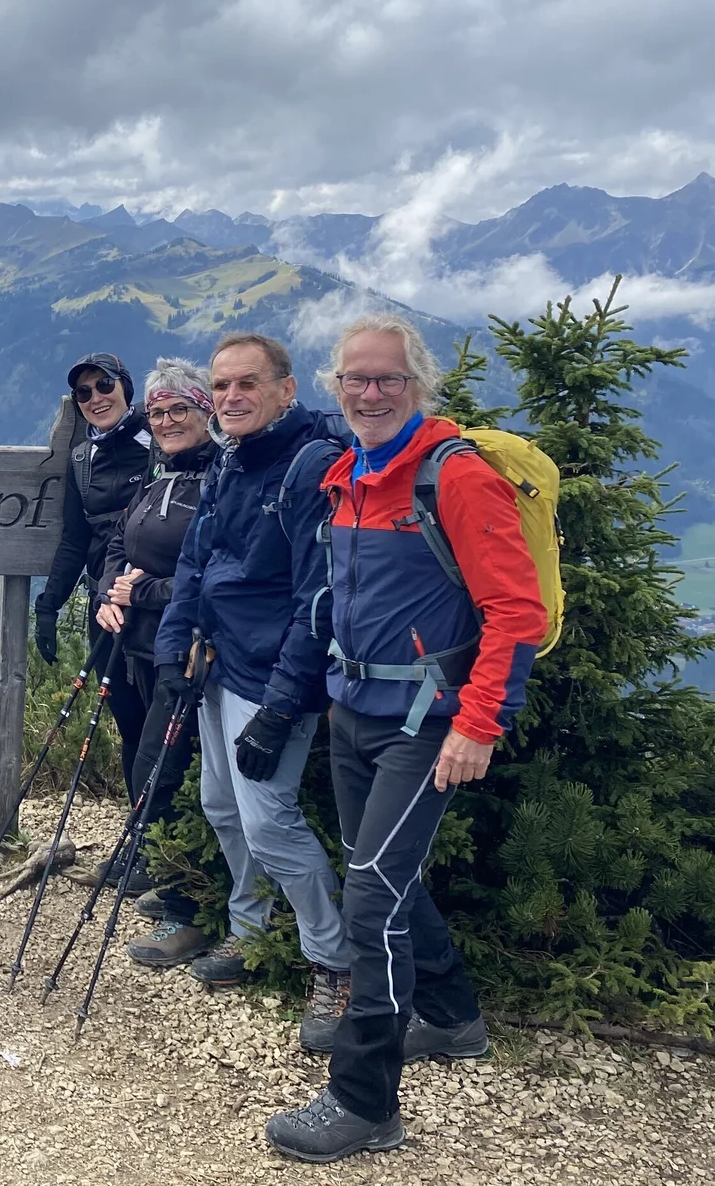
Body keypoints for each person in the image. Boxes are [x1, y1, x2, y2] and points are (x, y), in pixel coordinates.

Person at [266, 316, 546, 1163]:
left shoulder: (452, 476)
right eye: (356, 378)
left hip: (425, 727)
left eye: (388, 379)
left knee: (370, 903)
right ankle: (453, 1018)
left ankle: (364, 1102)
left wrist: (478, 723)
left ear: (417, 387)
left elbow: (516, 610)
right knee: (381, 875)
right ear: (337, 386)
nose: (371, 392)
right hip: (354, 712)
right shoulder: (349, 473)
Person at [137, 331, 353, 1055]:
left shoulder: (308, 468)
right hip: (219, 667)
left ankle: (334, 963)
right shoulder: (233, 463)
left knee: (268, 821)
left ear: (286, 390)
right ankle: (249, 934)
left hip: (273, 679)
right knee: (220, 805)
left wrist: (284, 706)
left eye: (248, 385)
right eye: (223, 386)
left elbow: (316, 600)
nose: (232, 398)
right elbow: (197, 561)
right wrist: (174, 650)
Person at [91, 358, 216, 903]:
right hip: (134, 638)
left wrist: (140, 592)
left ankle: (171, 867)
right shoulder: (157, 471)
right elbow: (118, 540)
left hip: (186, 642)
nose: (166, 421)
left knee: (165, 758)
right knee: (143, 749)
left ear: (205, 410)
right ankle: (146, 848)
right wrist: (107, 591)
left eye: (179, 409)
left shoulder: (220, 475)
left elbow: (211, 573)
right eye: (158, 412)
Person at [34, 353, 154, 849]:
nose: (95, 398)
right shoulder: (82, 460)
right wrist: (49, 602)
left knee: (162, 724)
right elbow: (73, 540)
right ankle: (141, 840)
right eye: (83, 393)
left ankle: (174, 847)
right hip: (102, 609)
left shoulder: (159, 445)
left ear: (126, 387)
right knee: (129, 722)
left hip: (155, 603)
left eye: (104, 385)